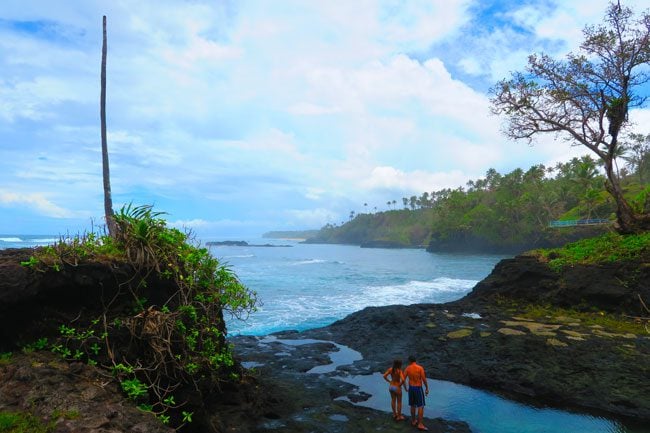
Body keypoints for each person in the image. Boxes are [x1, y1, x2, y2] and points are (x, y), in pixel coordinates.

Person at [403, 355, 429, 431]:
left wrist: (404, 388)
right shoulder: (420, 368)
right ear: (415, 360)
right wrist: (427, 388)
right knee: (420, 406)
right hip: (418, 388)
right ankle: (420, 424)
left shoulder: (407, 368)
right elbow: (424, 379)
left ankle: (414, 421)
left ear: (409, 361)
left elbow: (403, 379)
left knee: (412, 405)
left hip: (411, 388)